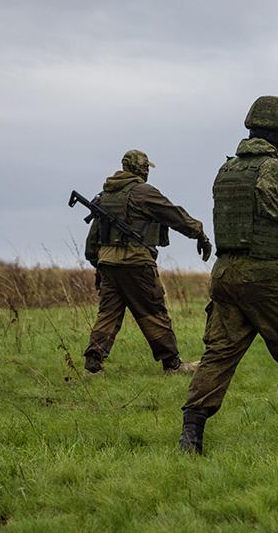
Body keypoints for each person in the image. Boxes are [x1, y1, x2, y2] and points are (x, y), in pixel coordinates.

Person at [178, 96, 278, 454]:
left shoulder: (227, 171)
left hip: (225, 272)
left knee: (219, 354)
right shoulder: (277, 170)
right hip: (267, 275)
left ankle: (191, 435)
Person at [83, 149, 211, 374]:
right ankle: (172, 364)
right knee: (153, 312)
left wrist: (100, 264)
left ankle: (93, 365)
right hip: (137, 264)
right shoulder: (144, 193)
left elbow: (93, 240)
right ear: (142, 170)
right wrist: (199, 233)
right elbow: (174, 215)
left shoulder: (107, 195)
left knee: (108, 314)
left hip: (108, 265)